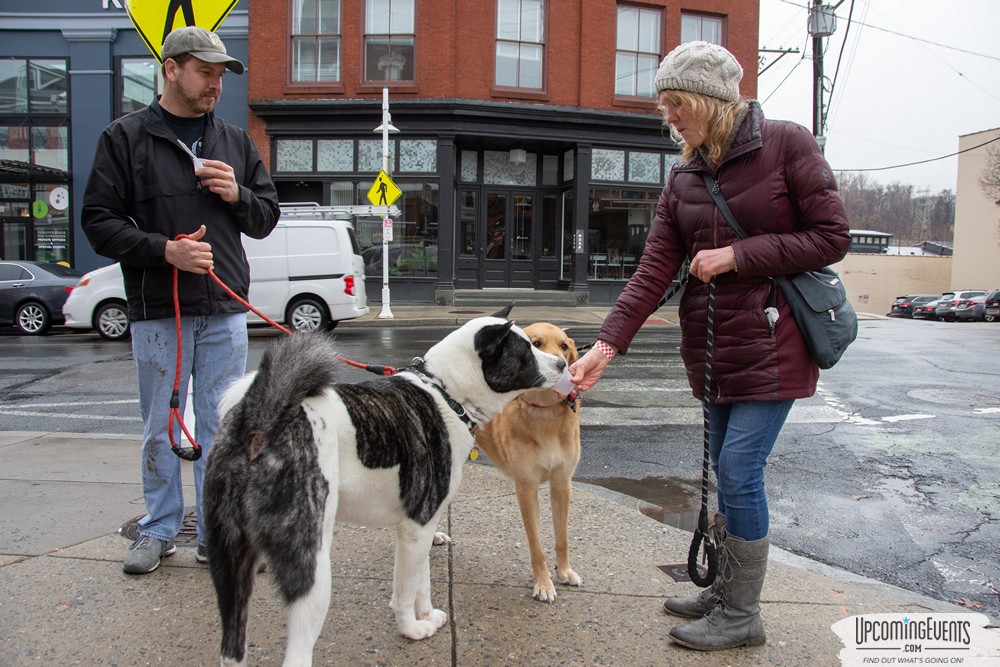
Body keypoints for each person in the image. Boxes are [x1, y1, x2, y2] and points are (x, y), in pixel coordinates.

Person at [569, 41, 850, 651]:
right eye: (664, 105)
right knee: (726, 477)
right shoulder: (685, 175)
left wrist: (739, 255)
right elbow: (652, 272)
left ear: (708, 100)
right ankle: (725, 590)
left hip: (776, 340)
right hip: (715, 348)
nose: (668, 117)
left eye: (675, 104)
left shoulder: (787, 144)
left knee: (739, 472)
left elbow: (832, 236)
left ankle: (742, 614)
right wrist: (604, 347)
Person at [82, 26, 280, 575]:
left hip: (223, 310)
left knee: (222, 426)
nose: (216, 83)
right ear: (171, 68)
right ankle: (159, 528)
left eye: (221, 74)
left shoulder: (235, 142)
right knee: (162, 425)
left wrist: (238, 193)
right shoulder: (124, 139)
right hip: (158, 310)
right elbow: (98, 224)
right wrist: (164, 251)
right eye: (205, 71)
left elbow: (266, 218)